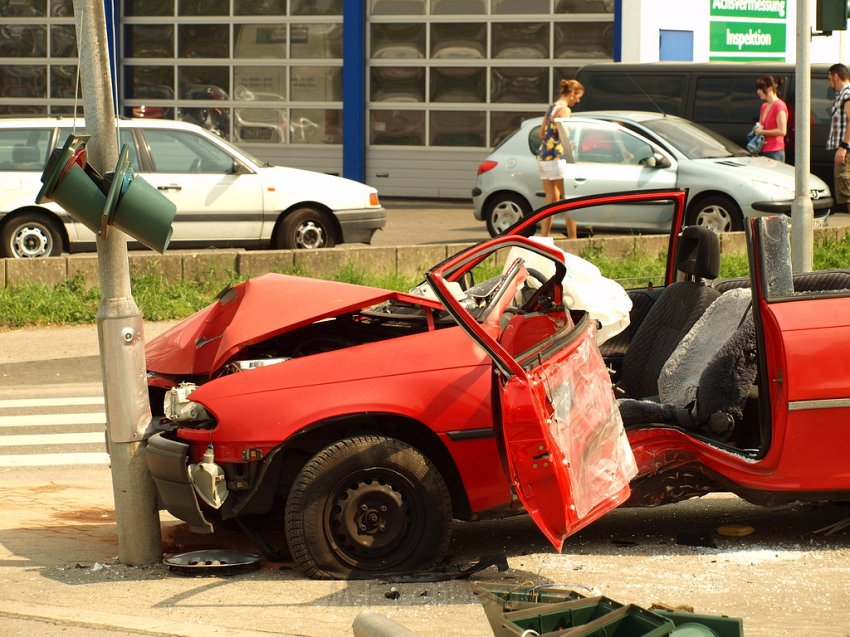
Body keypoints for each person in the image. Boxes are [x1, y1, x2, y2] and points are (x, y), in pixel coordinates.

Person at [536, 79, 584, 238]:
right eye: (578, 96)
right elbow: (565, 136)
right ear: (572, 93)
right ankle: (573, 239)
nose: (578, 100)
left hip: (543, 157)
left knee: (551, 200)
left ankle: (543, 238)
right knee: (569, 200)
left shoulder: (552, 107)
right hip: (557, 159)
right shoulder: (565, 110)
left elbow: (541, 134)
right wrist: (573, 147)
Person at [828, 63, 850, 213]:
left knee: (847, 191)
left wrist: (843, 146)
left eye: (830, 78)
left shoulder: (846, 94)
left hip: (847, 150)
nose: (830, 83)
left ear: (835, 76)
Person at [752, 75, 788, 162]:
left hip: (775, 151)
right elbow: (761, 125)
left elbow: (782, 131)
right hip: (761, 148)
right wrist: (758, 128)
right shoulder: (764, 106)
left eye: (760, 89)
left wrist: (762, 131)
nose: (758, 92)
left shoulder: (779, 105)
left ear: (770, 89)